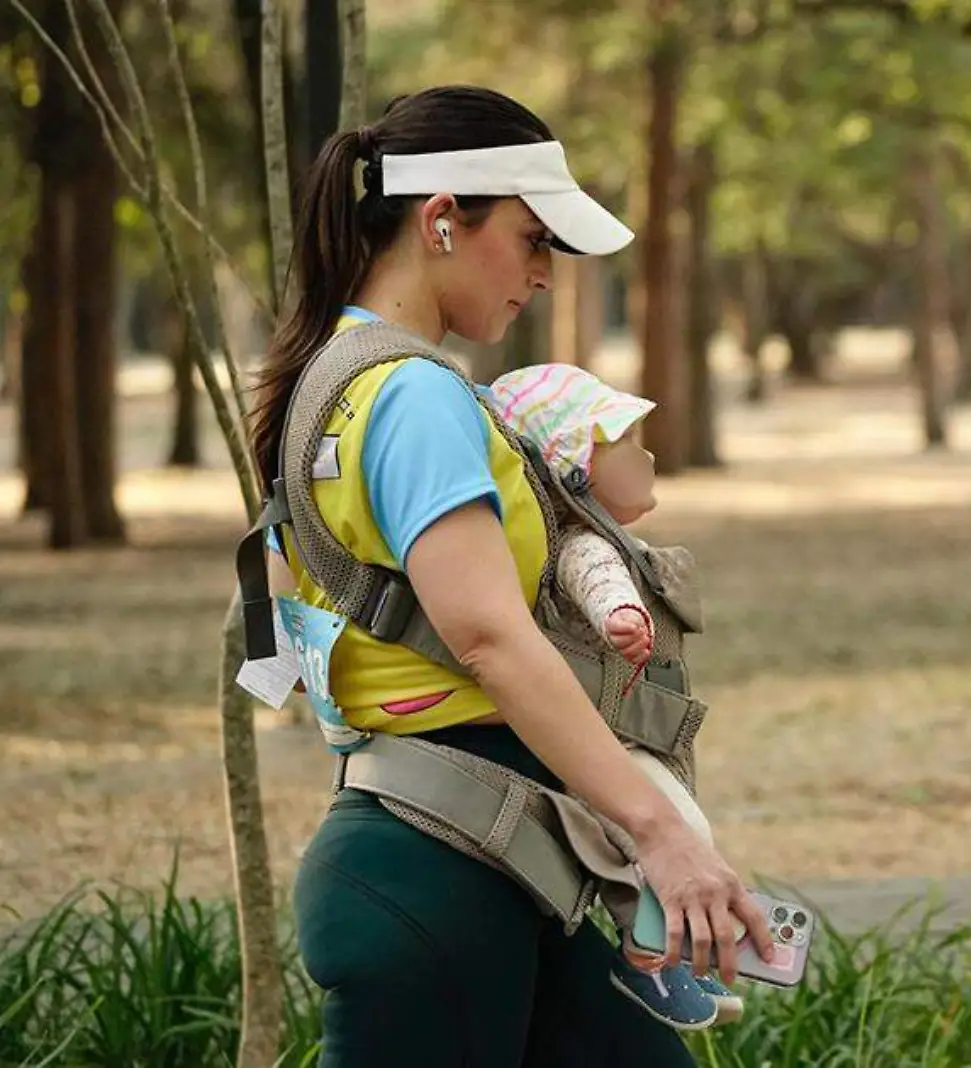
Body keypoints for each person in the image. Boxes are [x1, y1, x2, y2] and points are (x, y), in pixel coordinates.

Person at [247, 85, 771, 1065]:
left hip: (502, 863)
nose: (541, 274)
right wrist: (663, 833)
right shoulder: (416, 399)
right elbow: (488, 636)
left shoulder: (333, 377)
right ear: (441, 220)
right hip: (444, 879)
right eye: (532, 240)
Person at [487, 361, 746, 1028]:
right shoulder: (585, 545)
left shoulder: (610, 539)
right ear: (577, 468)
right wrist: (619, 616)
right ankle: (649, 962)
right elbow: (596, 579)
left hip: (618, 725)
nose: (650, 455)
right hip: (602, 735)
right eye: (628, 443)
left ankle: (667, 953)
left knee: (677, 826)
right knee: (677, 828)